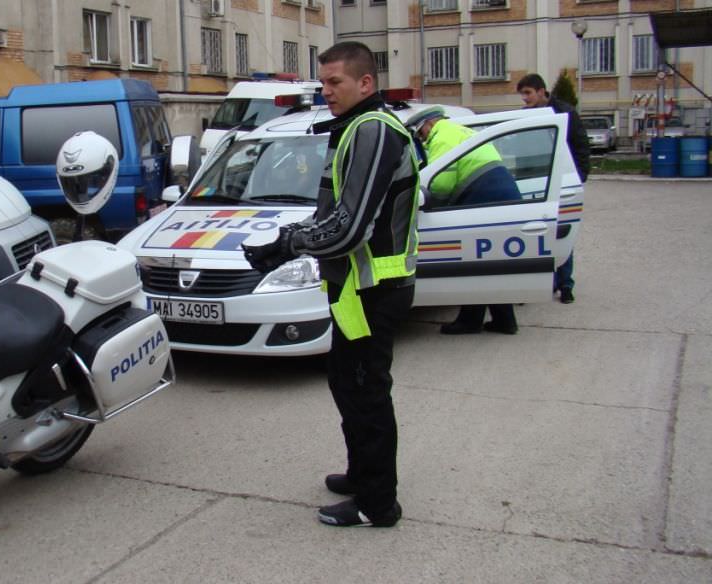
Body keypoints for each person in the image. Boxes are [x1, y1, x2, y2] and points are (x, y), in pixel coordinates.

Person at [242, 41, 420, 528]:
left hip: (373, 293)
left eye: (335, 82)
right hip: (353, 290)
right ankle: (362, 473)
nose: (326, 92)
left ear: (365, 83)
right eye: (322, 83)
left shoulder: (373, 132)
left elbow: (350, 225)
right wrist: (292, 238)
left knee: (366, 394)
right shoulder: (352, 130)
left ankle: (377, 503)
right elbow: (334, 213)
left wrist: (286, 244)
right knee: (348, 384)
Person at [405, 107, 522, 335]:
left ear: (428, 124)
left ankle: (470, 321)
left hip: (486, 197)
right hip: (500, 195)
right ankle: (504, 320)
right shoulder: (458, 130)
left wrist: (425, 198)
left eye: (420, 134)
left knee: (474, 263)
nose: (422, 139)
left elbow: (441, 184)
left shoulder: (442, 137)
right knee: (488, 263)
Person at [517, 73, 590, 304]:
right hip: (536, 181)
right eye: (522, 95)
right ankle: (539, 283)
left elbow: (580, 145)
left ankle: (565, 284)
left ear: (541, 91)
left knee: (560, 232)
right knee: (536, 234)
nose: (525, 99)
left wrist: (577, 178)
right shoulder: (526, 115)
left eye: (528, 93)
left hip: (562, 182)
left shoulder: (565, 112)